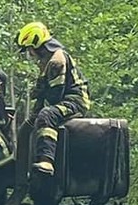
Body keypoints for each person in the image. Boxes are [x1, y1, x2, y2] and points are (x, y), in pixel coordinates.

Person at [15, 21, 92, 185]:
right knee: (33, 122)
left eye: (29, 49)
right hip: (65, 99)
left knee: (47, 114)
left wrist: (40, 93)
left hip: (75, 100)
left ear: (36, 45)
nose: (29, 53)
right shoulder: (47, 62)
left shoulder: (57, 61)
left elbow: (55, 96)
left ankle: (46, 161)